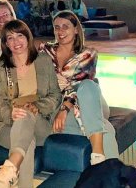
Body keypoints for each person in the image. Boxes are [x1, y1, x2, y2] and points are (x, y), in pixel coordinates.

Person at [0, 20, 61, 188]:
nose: (16, 41)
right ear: (6, 43)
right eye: (10, 38)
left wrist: (37, 106)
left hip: (40, 123)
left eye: (20, 35)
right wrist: (10, 113)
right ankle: (11, 174)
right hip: (8, 126)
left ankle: (9, 170)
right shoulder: (1, 67)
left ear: (28, 37)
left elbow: (56, 95)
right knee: (27, 140)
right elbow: (0, 102)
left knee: (25, 114)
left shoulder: (43, 61)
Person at [42, 11, 119, 165]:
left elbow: (80, 84)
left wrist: (65, 107)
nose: (60, 31)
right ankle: (107, 169)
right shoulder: (45, 52)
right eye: (57, 27)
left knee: (88, 85)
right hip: (59, 103)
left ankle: (98, 155)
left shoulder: (88, 54)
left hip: (89, 100)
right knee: (106, 129)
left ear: (76, 29)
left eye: (65, 26)